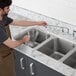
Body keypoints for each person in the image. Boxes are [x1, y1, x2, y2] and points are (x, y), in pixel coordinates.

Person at [0, 0, 47, 76]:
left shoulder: (3, 17)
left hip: (7, 55)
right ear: (0, 9)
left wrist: (38, 23)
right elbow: (12, 44)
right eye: (7, 8)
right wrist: (23, 40)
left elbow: (18, 22)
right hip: (2, 61)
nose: (9, 9)